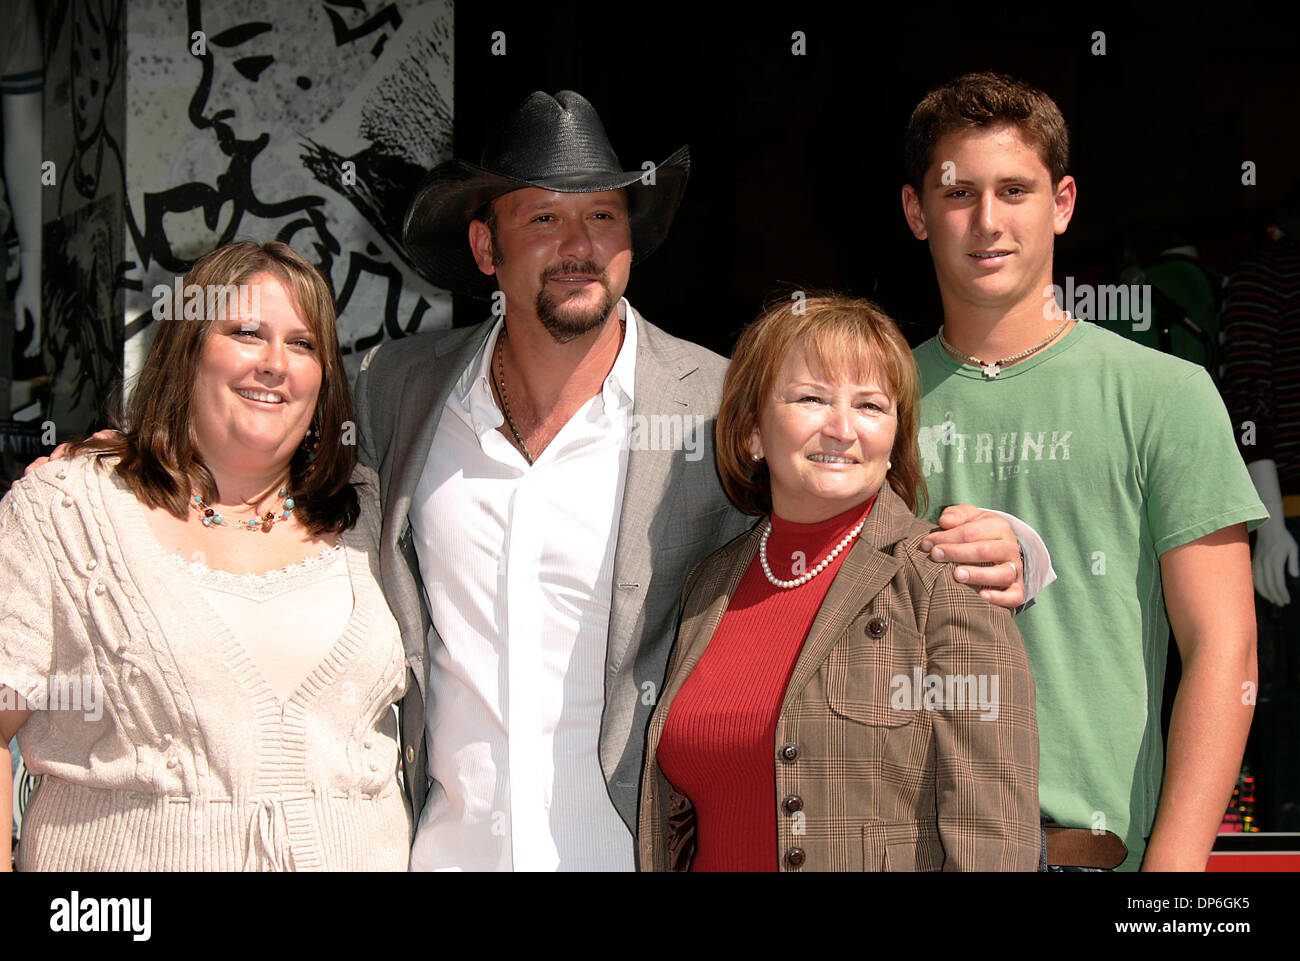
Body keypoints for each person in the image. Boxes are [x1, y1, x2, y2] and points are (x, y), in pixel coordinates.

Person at [356, 90, 1037, 870]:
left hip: (628, 853)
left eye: (604, 218)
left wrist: (1019, 547)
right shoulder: (396, 391)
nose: (579, 244)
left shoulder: (715, 404)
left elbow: (849, 531)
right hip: (447, 854)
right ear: (485, 247)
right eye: (544, 218)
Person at [900, 72, 1268, 870]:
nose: (987, 221)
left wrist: (1170, 884)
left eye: (1015, 190)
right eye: (959, 193)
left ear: (1062, 203)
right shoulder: (869, 407)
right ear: (916, 211)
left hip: (1088, 855)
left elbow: (1225, 647)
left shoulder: (1164, 393)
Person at [0, 241, 411, 871]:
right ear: (188, 349)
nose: (275, 363)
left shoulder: (369, 512)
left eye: (303, 344)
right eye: (248, 332)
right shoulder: (68, 510)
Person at [637, 294, 1039, 871]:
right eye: (811, 399)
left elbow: (995, 844)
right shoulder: (709, 586)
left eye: (871, 406)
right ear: (751, 431)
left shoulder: (946, 582)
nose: (843, 429)